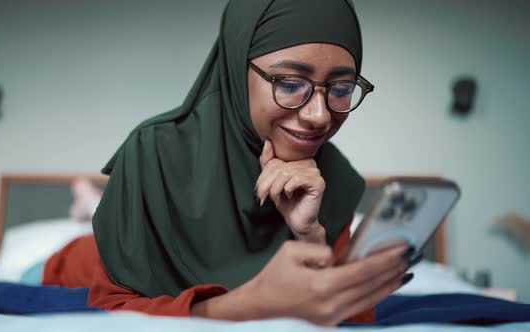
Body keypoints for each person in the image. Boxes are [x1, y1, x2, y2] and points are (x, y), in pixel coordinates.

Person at [43, 0, 415, 326]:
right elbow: (113, 307)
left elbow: (349, 317)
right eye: (288, 83)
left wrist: (311, 234)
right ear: (237, 69)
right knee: (73, 251)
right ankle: (89, 205)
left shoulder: (334, 177)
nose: (319, 116)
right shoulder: (152, 150)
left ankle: (89, 202)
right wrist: (249, 304)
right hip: (74, 263)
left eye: (341, 89)